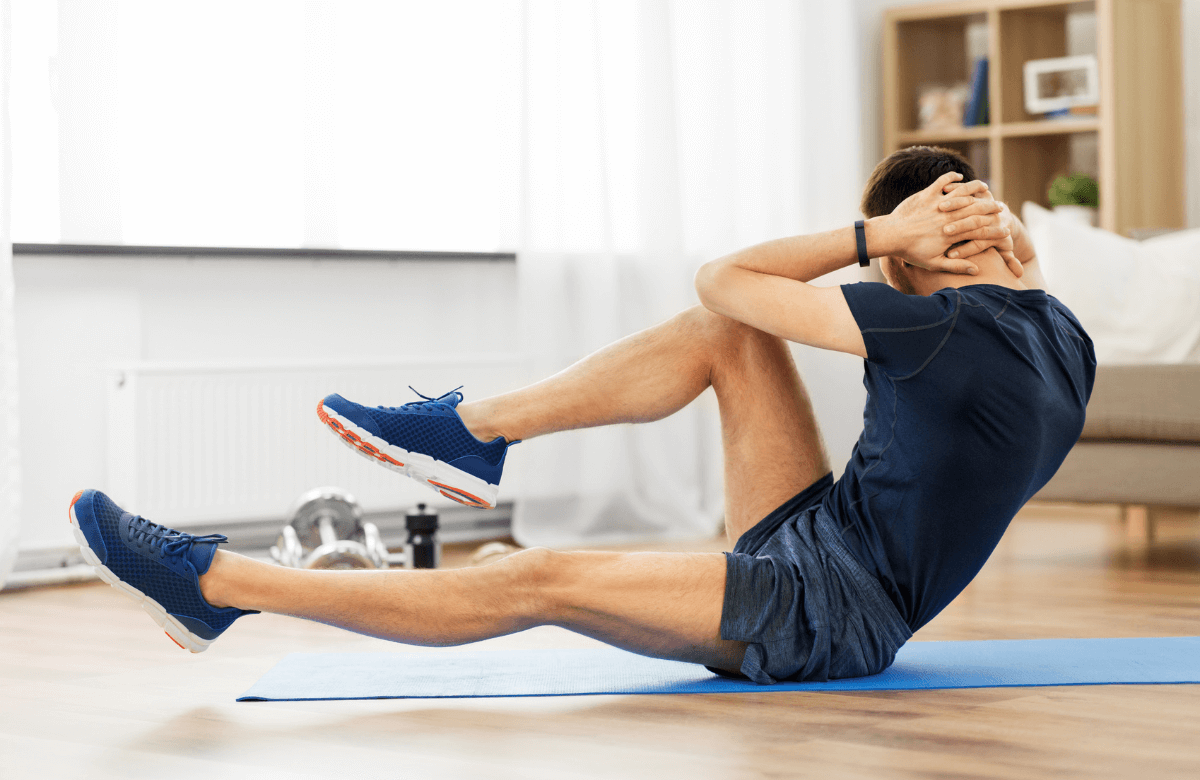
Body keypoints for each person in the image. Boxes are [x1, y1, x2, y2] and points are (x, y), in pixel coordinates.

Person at [69, 146, 1094, 683]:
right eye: (953, 213)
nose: (970, 226)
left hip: (830, 611)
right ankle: (475, 436)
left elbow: (726, 271)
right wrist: (920, 241)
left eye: (969, 217)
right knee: (723, 335)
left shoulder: (940, 328)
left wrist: (877, 234)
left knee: (534, 577)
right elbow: (729, 306)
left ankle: (221, 586)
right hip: (820, 540)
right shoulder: (1063, 337)